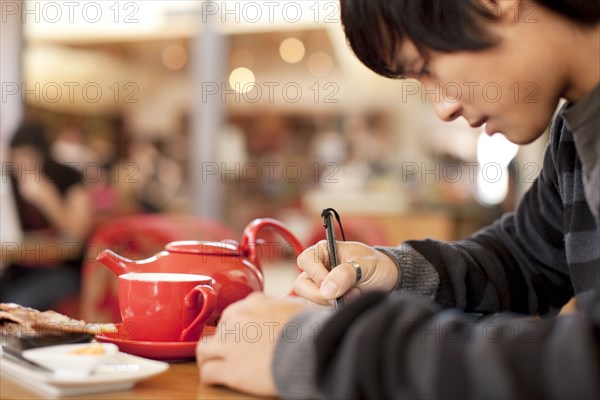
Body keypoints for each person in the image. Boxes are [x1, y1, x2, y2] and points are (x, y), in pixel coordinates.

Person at [196, 1, 599, 398]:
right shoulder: (576, 136)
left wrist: (330, 352)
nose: (443, 108)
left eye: (425, 67)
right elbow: (526, 258)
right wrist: (397, 271)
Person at [0, 122, 93, 310]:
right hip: (20, 268)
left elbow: (79, 231)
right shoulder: (9, 181)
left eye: (29, 156)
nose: (23, 164)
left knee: (17, 302)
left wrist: (48, 199)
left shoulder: (68, 176)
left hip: (64, 269)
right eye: (17, 157)